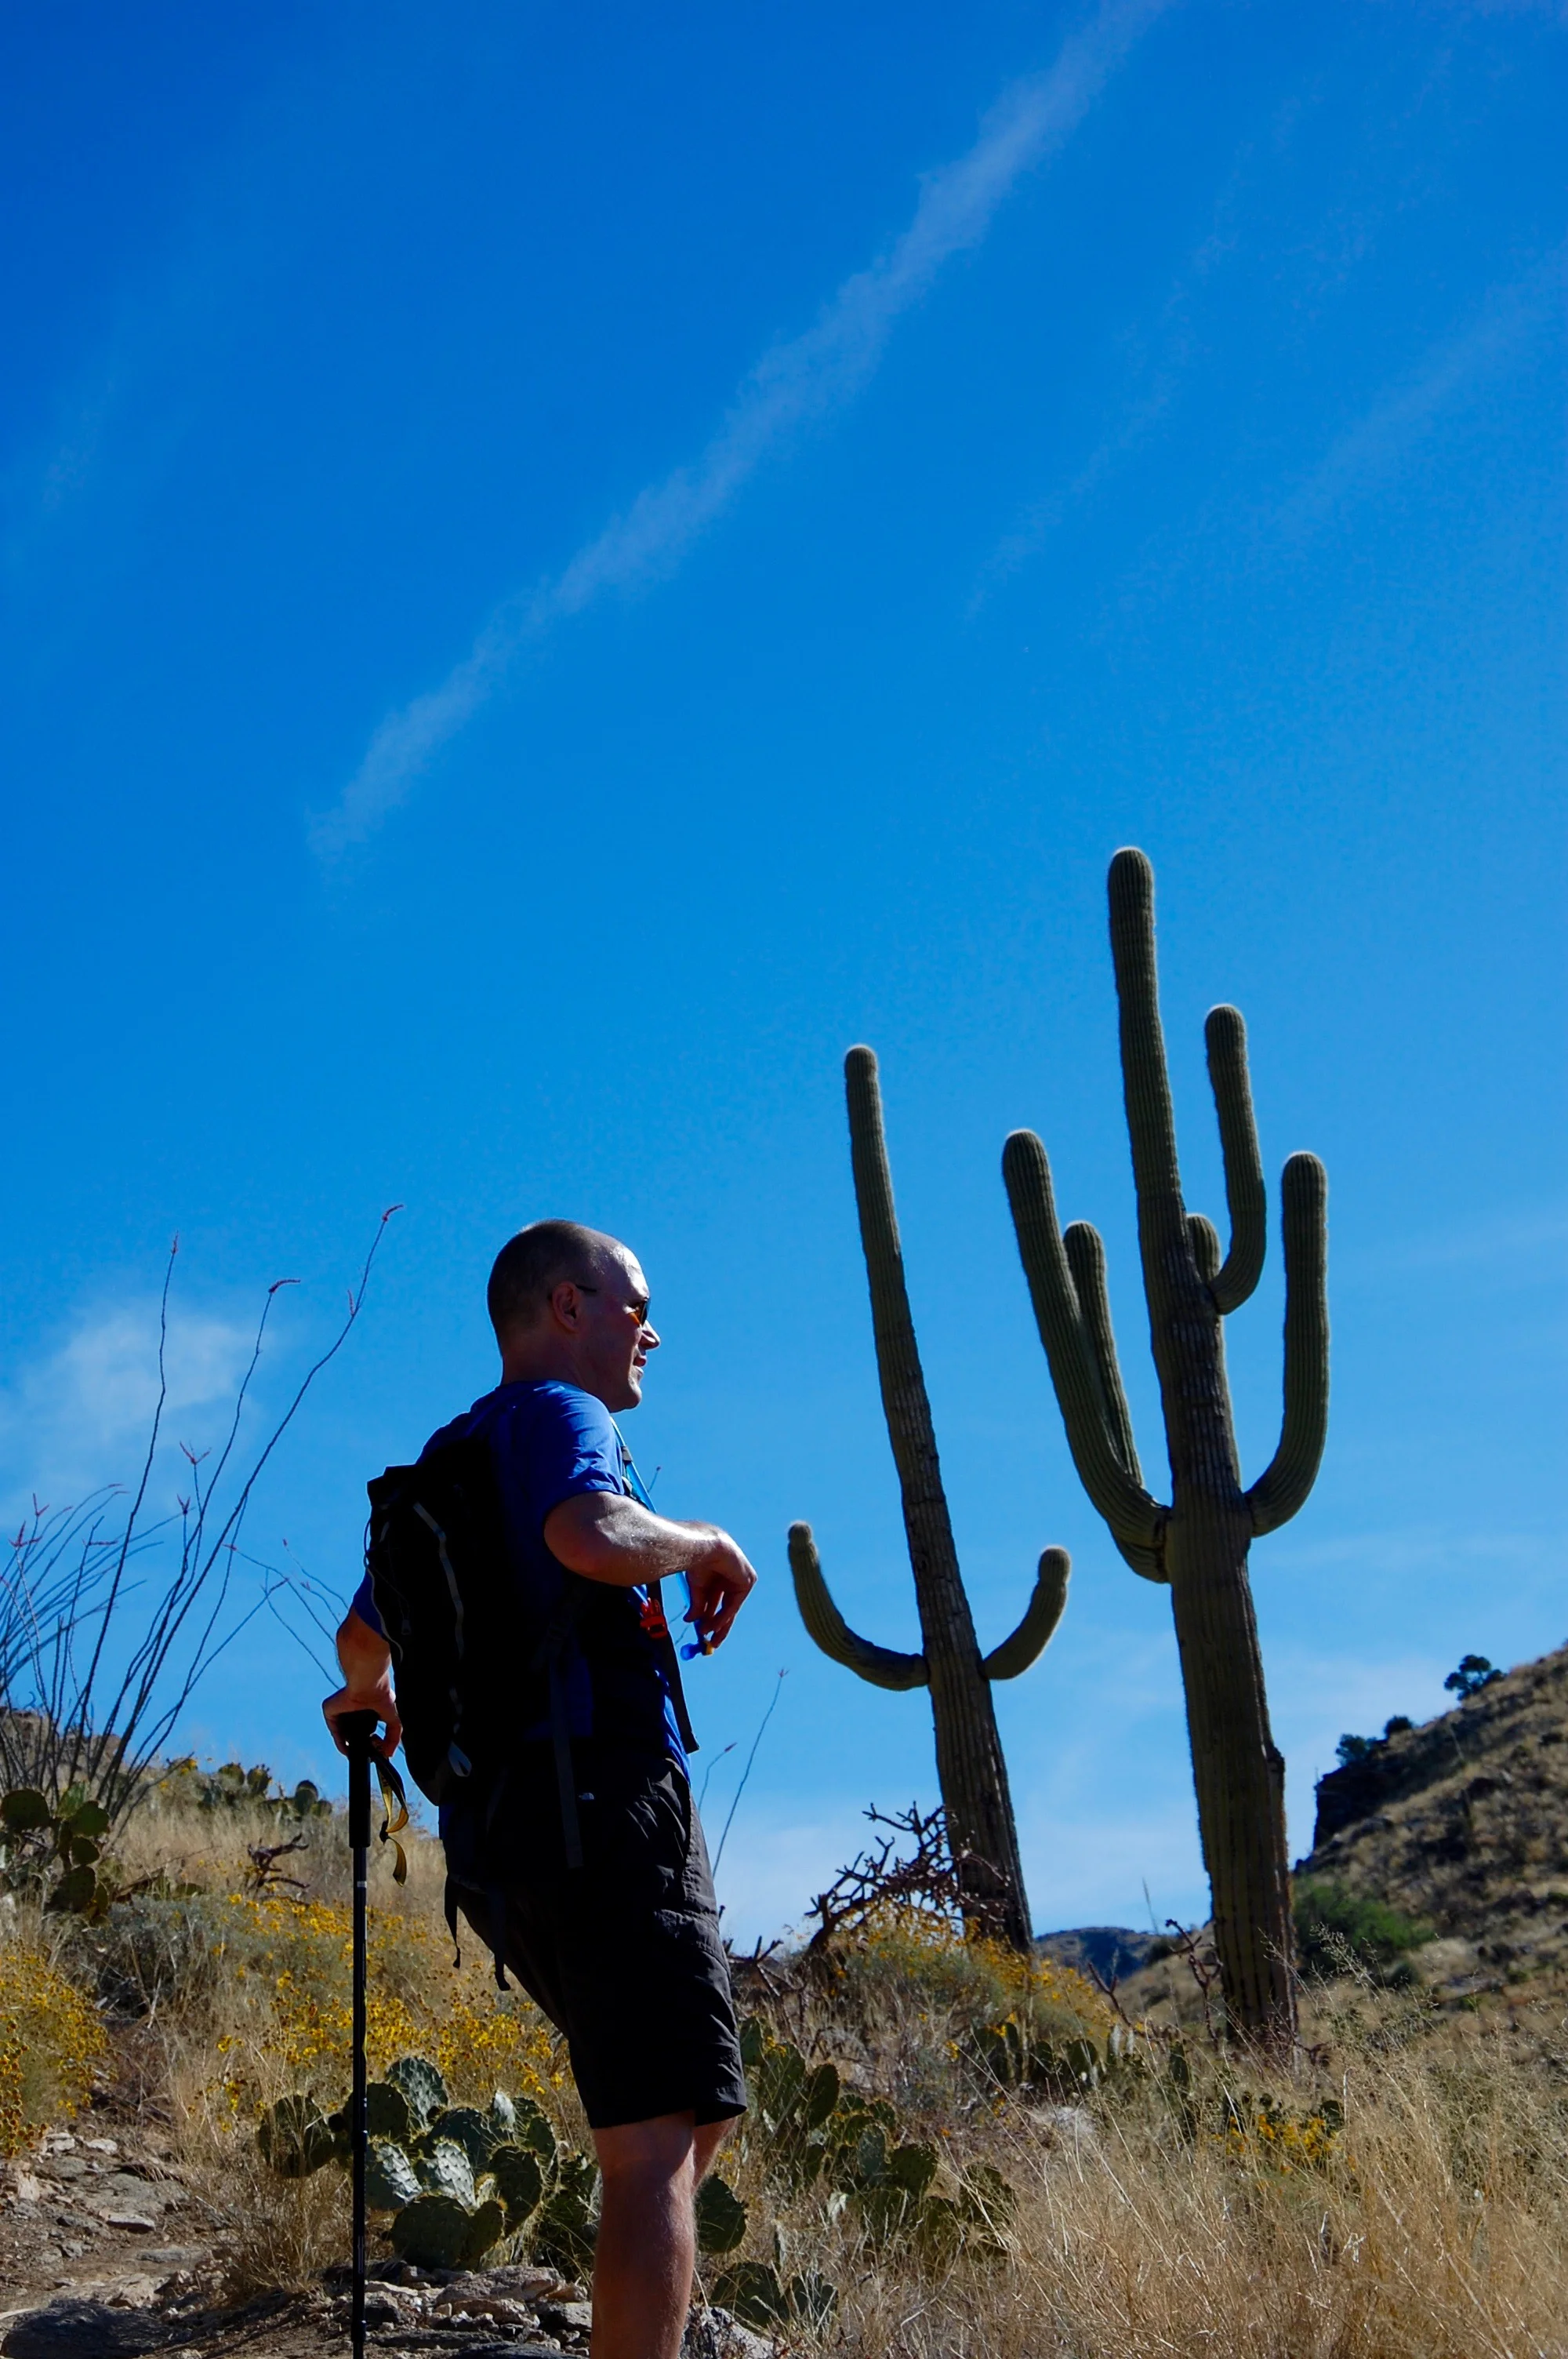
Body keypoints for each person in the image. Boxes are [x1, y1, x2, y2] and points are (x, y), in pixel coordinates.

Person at [322, 1219, 758, 2359]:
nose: (650, 1330)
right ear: (566, 1307)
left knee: (678, 2118)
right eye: (633, 1303)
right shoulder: (569, 1417)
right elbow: (591, 1533)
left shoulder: (457, 1452)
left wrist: (366, 1703)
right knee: (659, 2142)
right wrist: (705, 1539)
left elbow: (360, 1640)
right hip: (607, 1806)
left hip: (503, 1842)